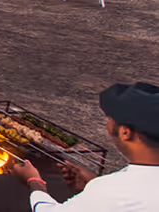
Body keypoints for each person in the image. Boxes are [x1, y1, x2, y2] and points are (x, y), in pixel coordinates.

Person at [9, 82, 159, 211]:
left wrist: (34, 182)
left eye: (109, 119)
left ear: (125, 132)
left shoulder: (111, 191)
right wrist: (93, 185)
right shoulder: (115, 189)